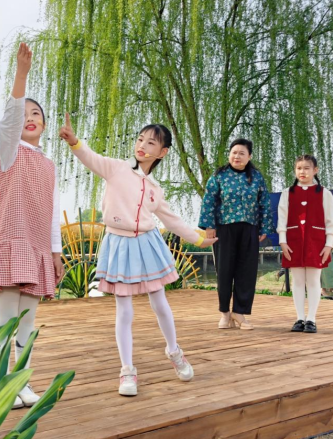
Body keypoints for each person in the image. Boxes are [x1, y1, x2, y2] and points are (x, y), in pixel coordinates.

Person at [59, 115, 217, 397]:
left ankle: (174, 351)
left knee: (160, 302)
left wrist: (199, 239)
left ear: (162, 152)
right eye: (140, 139)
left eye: (151, 143)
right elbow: (91, 158)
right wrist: (75, 142)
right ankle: (127, 370)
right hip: (118, 244)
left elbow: (172, 221)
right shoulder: (117, 169)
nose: (142, 145)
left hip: (147, 243)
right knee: (124, 309)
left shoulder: (155, 189)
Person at [0, 43, 64, 409]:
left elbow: (53, 211)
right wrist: (22, 75)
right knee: (6, 317)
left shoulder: (49, 164)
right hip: (14, 241)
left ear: (44, 124)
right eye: (26, 113)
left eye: (36, 114)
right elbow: (9, 121)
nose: (30, 118)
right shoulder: (10, 150)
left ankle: (21, 382)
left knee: (27, 320)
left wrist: (56, 252)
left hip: (38, 248)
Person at [198, 138, 273, 330]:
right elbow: (209, 201)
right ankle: (225, 313)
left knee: (246, 272)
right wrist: (209, 226)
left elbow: (264, 202)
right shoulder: (219, 176)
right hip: (224, 228)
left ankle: (239, 312)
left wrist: (264, 228)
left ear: (249, 157)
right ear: (229, 154)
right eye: (234, 152)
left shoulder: (256, 177)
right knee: (224, 271)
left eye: (241, 153)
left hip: (250, 228)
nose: (237, 156)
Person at [277, 154, 333, 334]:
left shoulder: (324, 193)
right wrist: (282, 240)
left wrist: (328, 244)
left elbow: (330, 220)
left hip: (315, 241)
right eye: (299, 168)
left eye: (306, 168)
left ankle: (311, 318)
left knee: (313, 280)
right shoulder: (287, 193)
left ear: (315, 170)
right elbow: (282, 218)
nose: (302, 172)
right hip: (293, 241)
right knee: (297, 280)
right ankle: (299, 318)